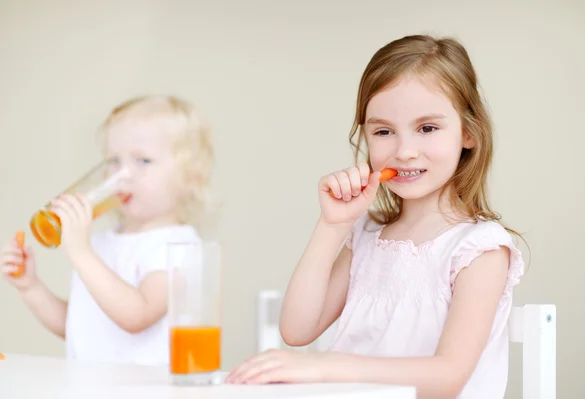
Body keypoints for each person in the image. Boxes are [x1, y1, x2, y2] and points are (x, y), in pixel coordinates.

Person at [226, 35, 525, 399]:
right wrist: (333, 225)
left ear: (469, 133)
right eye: (383, 131)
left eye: (427, 128)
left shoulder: (480, 249)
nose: (404, 151)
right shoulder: (368, 234)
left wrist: (326, 367)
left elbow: (447, 378)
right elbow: (296, 329)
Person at [1, 95, 214, 366]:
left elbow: (137, 315)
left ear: (188, 177)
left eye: (143, 161)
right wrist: (31, 287)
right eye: (113, 161)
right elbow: (80, 326)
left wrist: (80, 251)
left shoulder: (178, 246)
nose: (121, 175)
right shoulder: (102, 243)